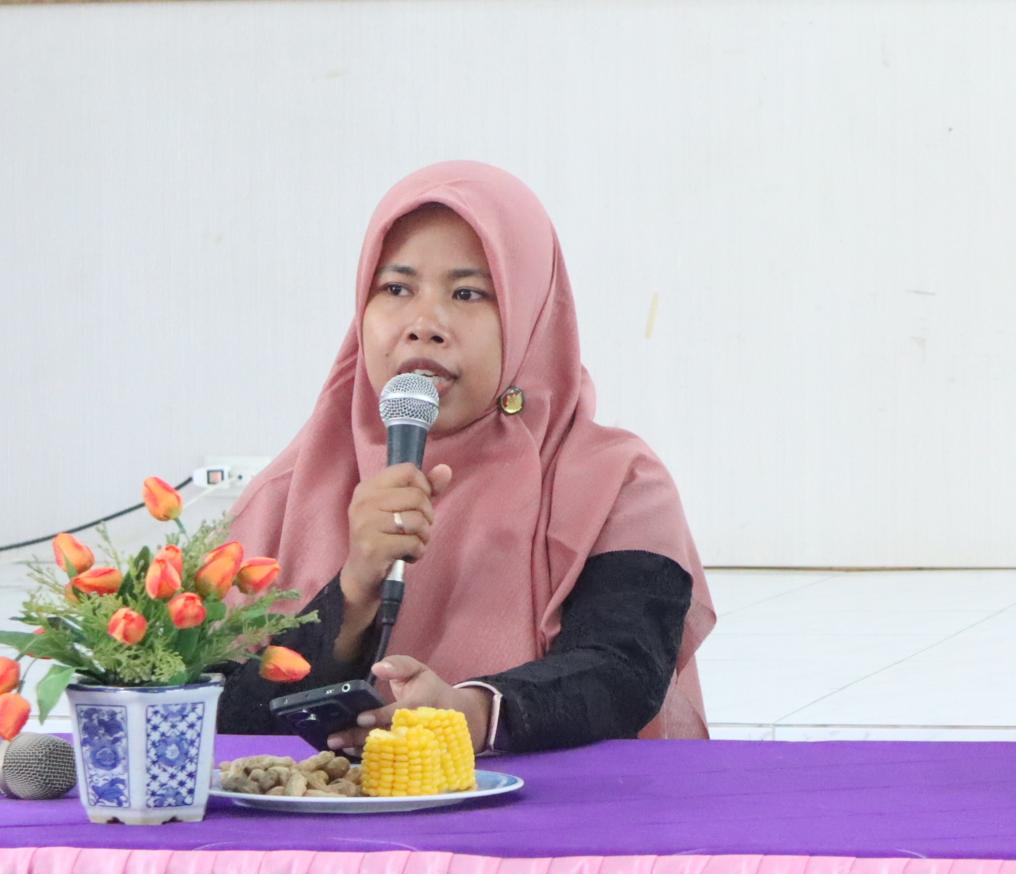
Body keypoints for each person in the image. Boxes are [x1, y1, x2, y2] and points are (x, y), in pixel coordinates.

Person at [215, 160, 714, 751]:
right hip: (333, 811)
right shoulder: (285, 496)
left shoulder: (617, 482)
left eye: (468, 293)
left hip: (555, 806)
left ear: (529, 317)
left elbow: (623, 668)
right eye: (396, 289)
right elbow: (219, 712)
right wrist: (352, 592)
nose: (425, 324)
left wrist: (472, 714)